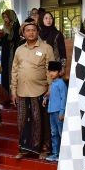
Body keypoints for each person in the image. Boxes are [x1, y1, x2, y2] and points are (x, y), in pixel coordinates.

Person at [11, 21, 54, 159]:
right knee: (22, 120)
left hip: (40, 90)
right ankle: (23, 149)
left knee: (39, 121)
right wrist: (13, 90)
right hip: (21, 91)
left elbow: (50, 69)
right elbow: (14, 71)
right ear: (23, 33)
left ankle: (43, 149)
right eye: (27, 30)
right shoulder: (19, 49)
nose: (30, 32)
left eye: (33, 30)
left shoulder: (46, 48)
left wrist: (50, 87)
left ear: (38, 32)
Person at [44, 61, 67, 162]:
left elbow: (64, 98)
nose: (51, 73)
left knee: (61, 133)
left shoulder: (61, 84)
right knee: (54, 133)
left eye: (54, 71)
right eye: (50, 71)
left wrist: (62, 112)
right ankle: (55, 154)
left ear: (59, 72)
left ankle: (64, 155)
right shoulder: (52, 83)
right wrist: (45, 98)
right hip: (52, 112)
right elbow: (50, 94)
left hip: (58, 112)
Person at [0, 9, 21, 98]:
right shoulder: (5, 26)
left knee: (12, 70)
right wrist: (0, 37)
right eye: (4, 17)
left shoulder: (15, 26)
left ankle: (13, 94)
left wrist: (5, 35)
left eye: (6, 17)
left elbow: (14, 38)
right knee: (5, 71)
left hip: (13, 51)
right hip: (6, 51)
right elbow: (2, 42)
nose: (5, 19)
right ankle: (7, 94)